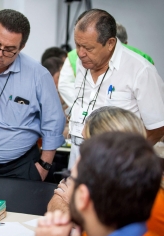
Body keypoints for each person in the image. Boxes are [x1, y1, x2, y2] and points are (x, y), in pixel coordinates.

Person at [0, 9, 66, 200]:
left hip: (19, 170)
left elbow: (53, 123)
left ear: (21, 46)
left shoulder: (38, 75)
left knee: (15, 227)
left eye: (9, 49)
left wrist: (44, 167)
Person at [66, 9, 164, 169]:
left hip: (116, 164)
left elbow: (158, 127)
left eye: (88, 48)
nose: (80, 53)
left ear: (110, 43)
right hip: (78, 157)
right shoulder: (83, 61)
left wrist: (126, 157)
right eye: (77, 45)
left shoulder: (141, 70)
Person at [47, 106, 164, 236]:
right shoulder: (100, 180)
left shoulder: (146, 200)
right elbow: (55, 204)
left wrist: (73, 204)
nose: (82, 153)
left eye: (87, 143)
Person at [58, 22, 155, 111]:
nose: (82, 53)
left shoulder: (73, 55)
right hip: (129, 122)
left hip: (89, 118)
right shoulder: (143, 57)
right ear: (126, 42)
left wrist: (83, 108)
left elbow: (64, 86)